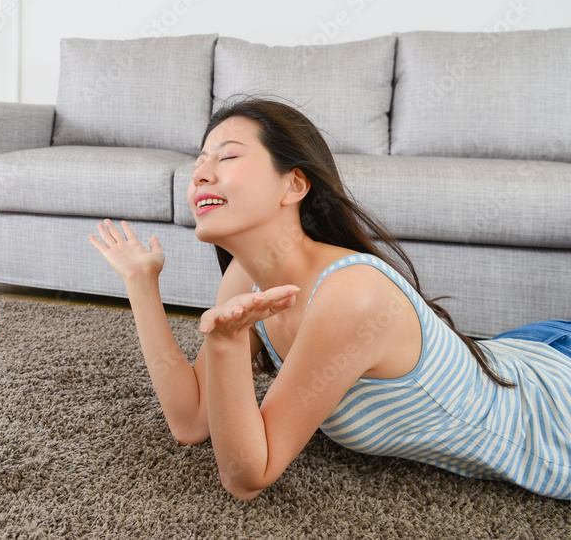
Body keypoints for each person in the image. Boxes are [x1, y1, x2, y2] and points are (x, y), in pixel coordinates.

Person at [89, 96, 571, 501]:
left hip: (551, 412)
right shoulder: (244, 276)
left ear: (294, 184)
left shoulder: (351, 296)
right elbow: (191, 422)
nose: (200, 175)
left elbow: (247, 476)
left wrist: (228, 345)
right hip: (519, 351)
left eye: (227, 157)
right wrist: (141, 285)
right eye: (199, 162)